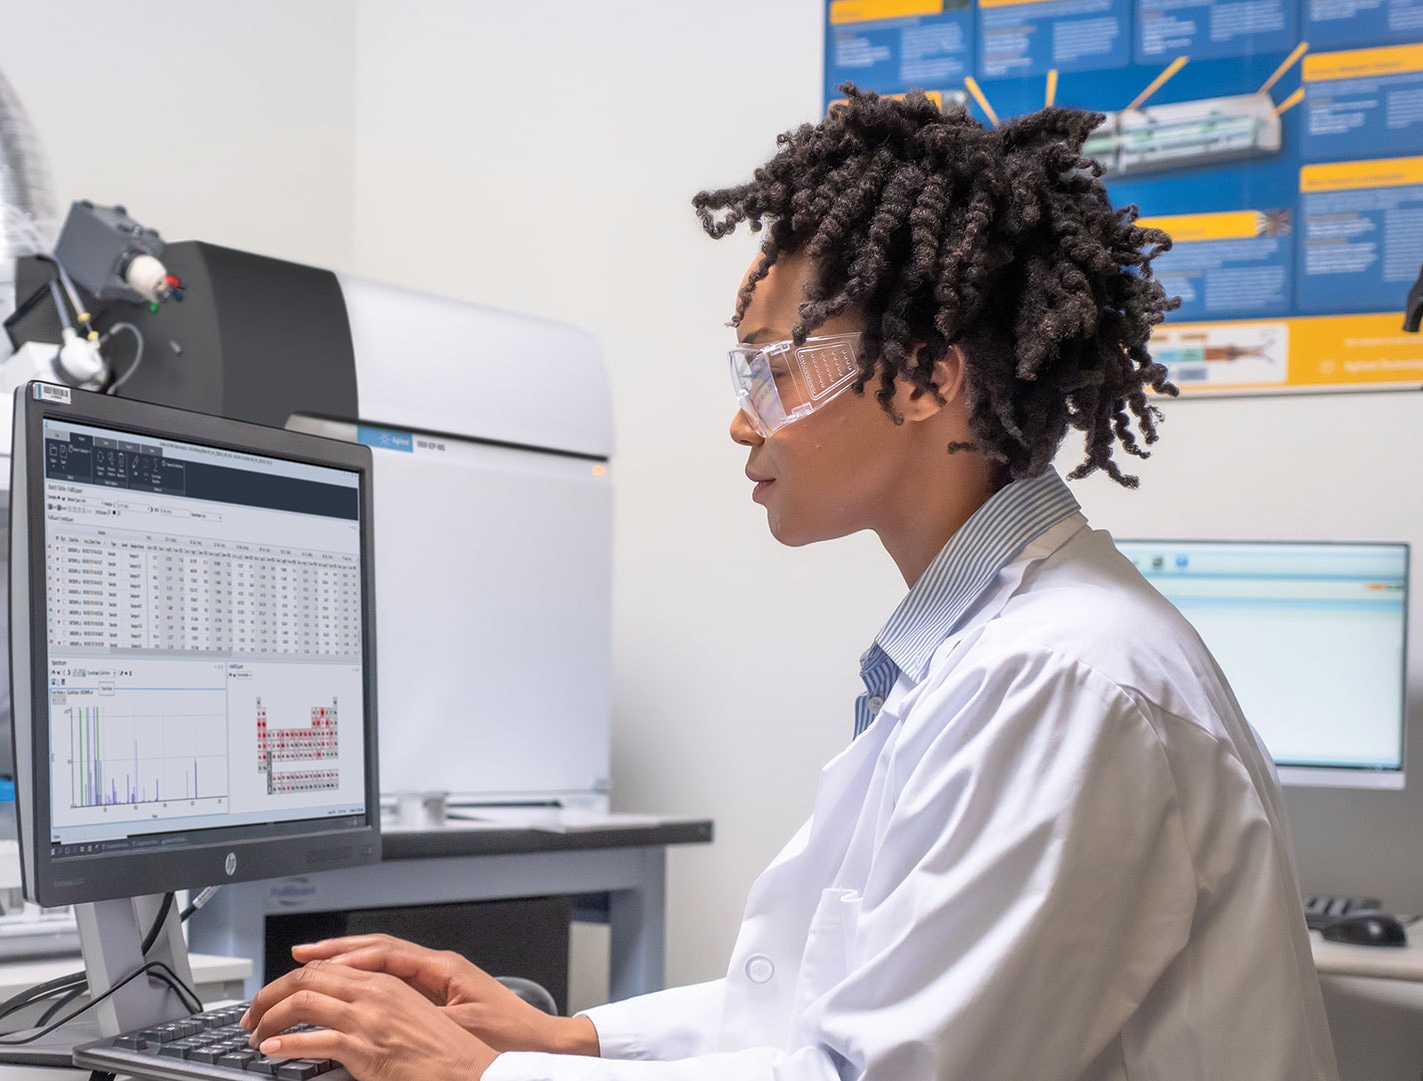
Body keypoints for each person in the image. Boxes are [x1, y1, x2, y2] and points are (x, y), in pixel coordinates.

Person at [238, 86, 1339, 1081]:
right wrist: (566, 1034)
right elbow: (836, 1005)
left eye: (775, 368)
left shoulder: (1063, 682)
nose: (739, 418)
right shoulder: (998, 647)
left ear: (925, 379)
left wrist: (479, 1076)